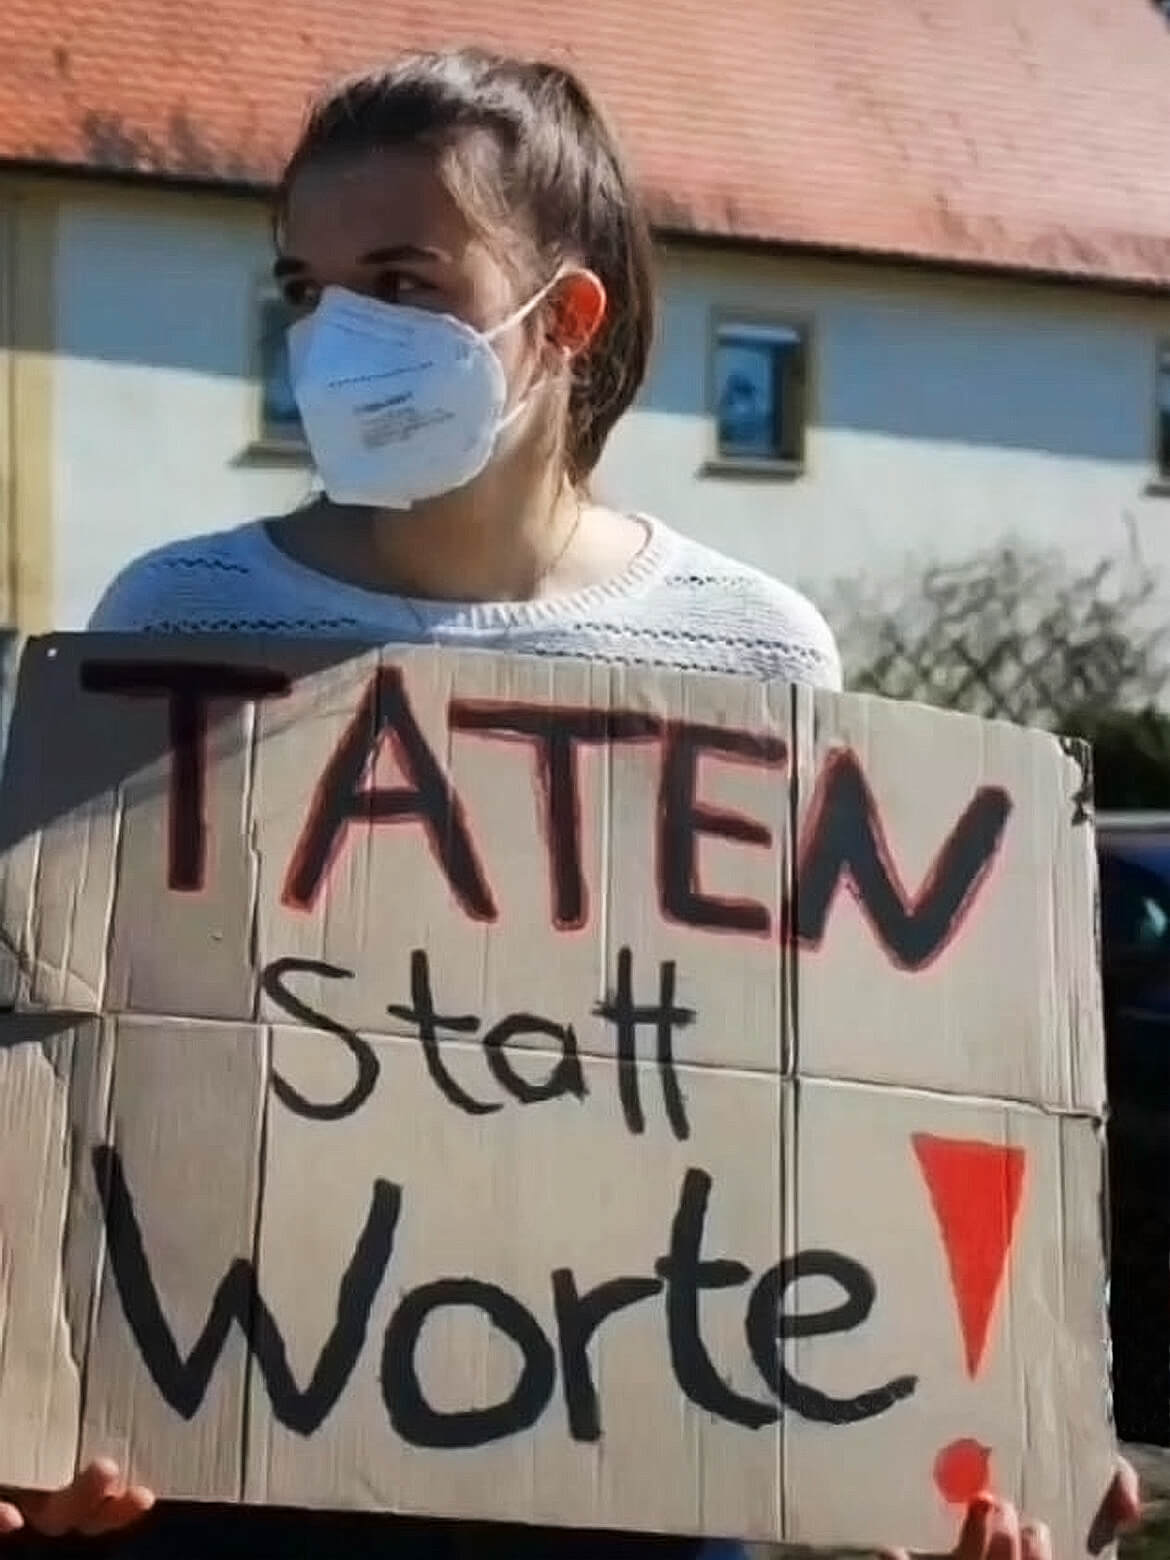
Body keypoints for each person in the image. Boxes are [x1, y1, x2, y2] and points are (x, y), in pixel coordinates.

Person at [0, 44, 1143, 1560]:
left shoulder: (752, 651)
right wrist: (35, 1395)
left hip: (642, 1459)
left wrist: (992, 1420)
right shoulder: (179, 618)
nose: (338, 337)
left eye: (403, 282)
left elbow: (854, 1083)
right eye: (304, 289)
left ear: (565, 317)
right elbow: (80, 1051)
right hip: (242, 1451)